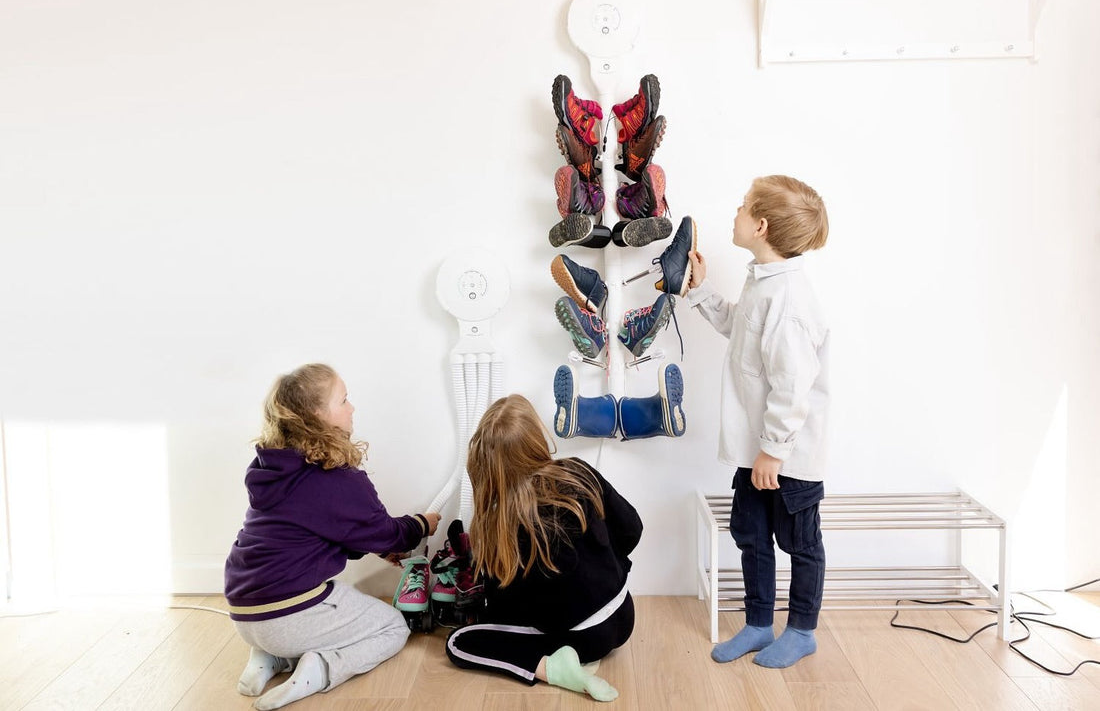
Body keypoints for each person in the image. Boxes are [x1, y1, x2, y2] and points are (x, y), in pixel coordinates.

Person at [224, 363, 441, 710]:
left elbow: (323, 530)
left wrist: (376, 549)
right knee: (392, 627)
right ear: (316, 414)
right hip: (288, 613)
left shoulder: (271, 471)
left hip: (244, 610)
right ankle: (319, 669)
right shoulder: (334, 478)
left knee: (333, 597)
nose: (352, 408)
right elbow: (387, 532)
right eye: (344, 400)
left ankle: (270, 658)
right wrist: (420, 524)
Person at [685, 174, 830, 669]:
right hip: (758, 451)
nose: (736, 211)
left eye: (744, 206)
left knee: (800, 543)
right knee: (751, 535)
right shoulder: (762, 280)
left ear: (761, 226)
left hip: (785, 457)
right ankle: (758, 623)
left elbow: (793, 387)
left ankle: (802, 630)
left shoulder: (790, 301)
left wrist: (773, 450)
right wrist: (702, 292)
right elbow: (737, 328)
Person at [445, 394, 642, 702]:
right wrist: (601, 565)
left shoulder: (505, 522)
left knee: (458, 642)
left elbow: (505, 611)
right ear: (537, 437)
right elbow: (632, 529)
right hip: (624, 614)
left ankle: (552, 669)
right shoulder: (579, 471)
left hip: (584, 638)